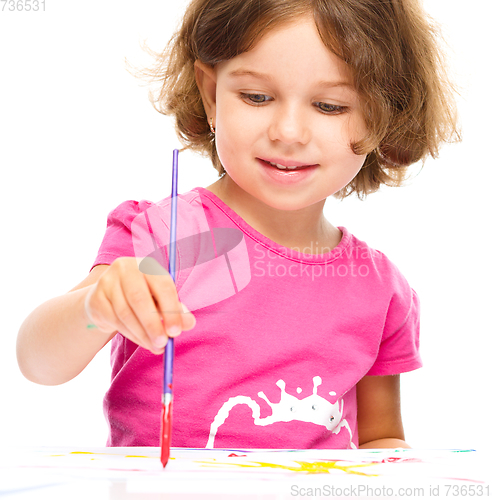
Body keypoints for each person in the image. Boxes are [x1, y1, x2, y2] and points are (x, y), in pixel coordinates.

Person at [17, 0, 460, 450]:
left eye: (329, 105)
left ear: (385, 112)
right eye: (256, 97)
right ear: (211, 94)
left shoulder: (380, 290)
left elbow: (381, 440)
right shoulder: (165, 235)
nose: (288, 132)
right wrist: (95, 310)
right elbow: (37, 362)